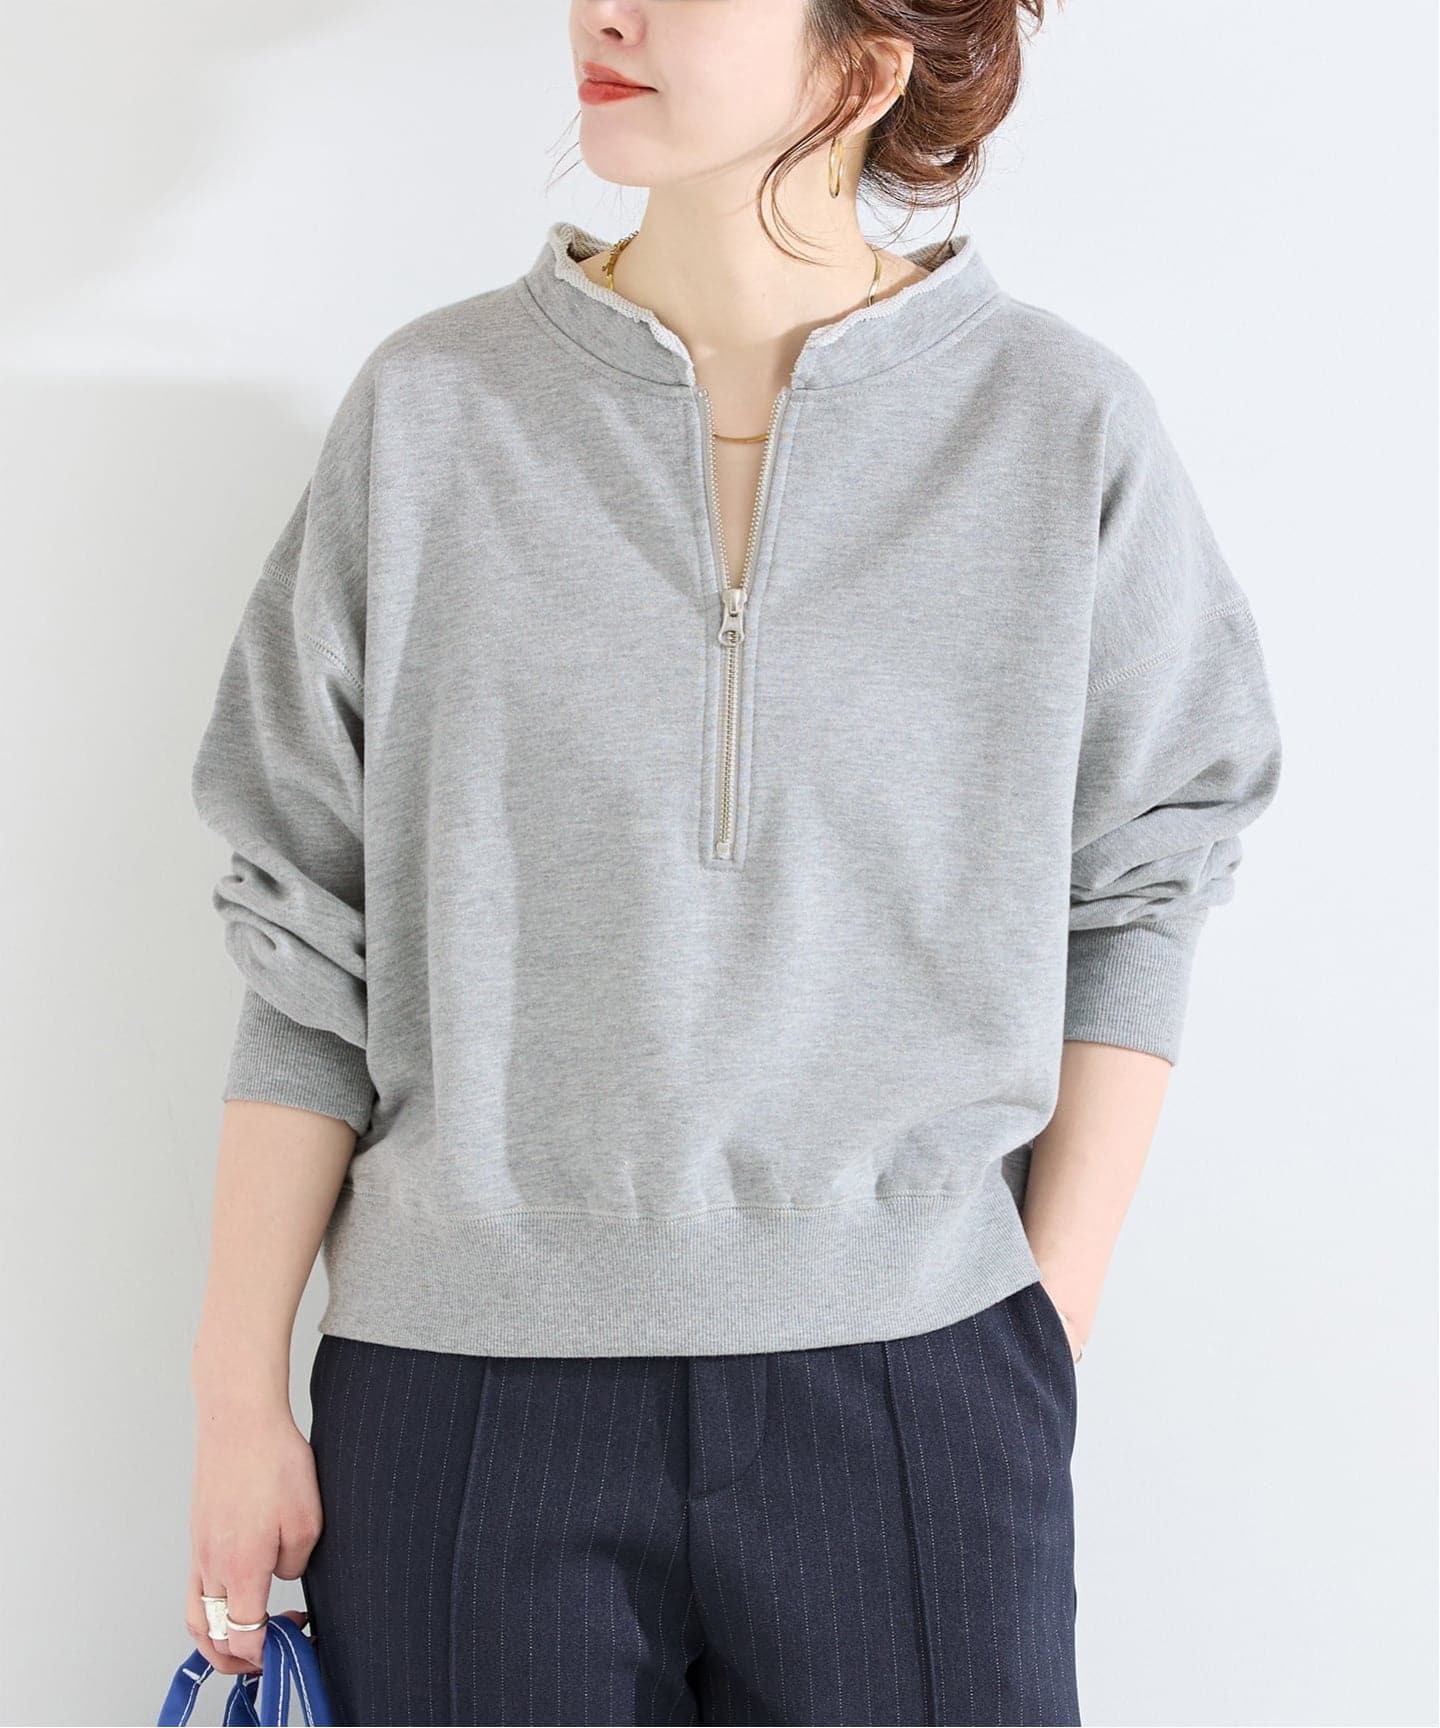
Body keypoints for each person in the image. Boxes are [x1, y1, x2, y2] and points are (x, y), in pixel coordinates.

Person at [183, 2, 1284, 1723]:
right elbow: (305, 930)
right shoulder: (430, 411)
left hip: (914, 1386)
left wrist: (1033, 1335)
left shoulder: (1058, 425)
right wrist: (235, 1394)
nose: (605, 13)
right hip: (465, 1393)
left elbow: (1147, 881)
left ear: (866, 60)